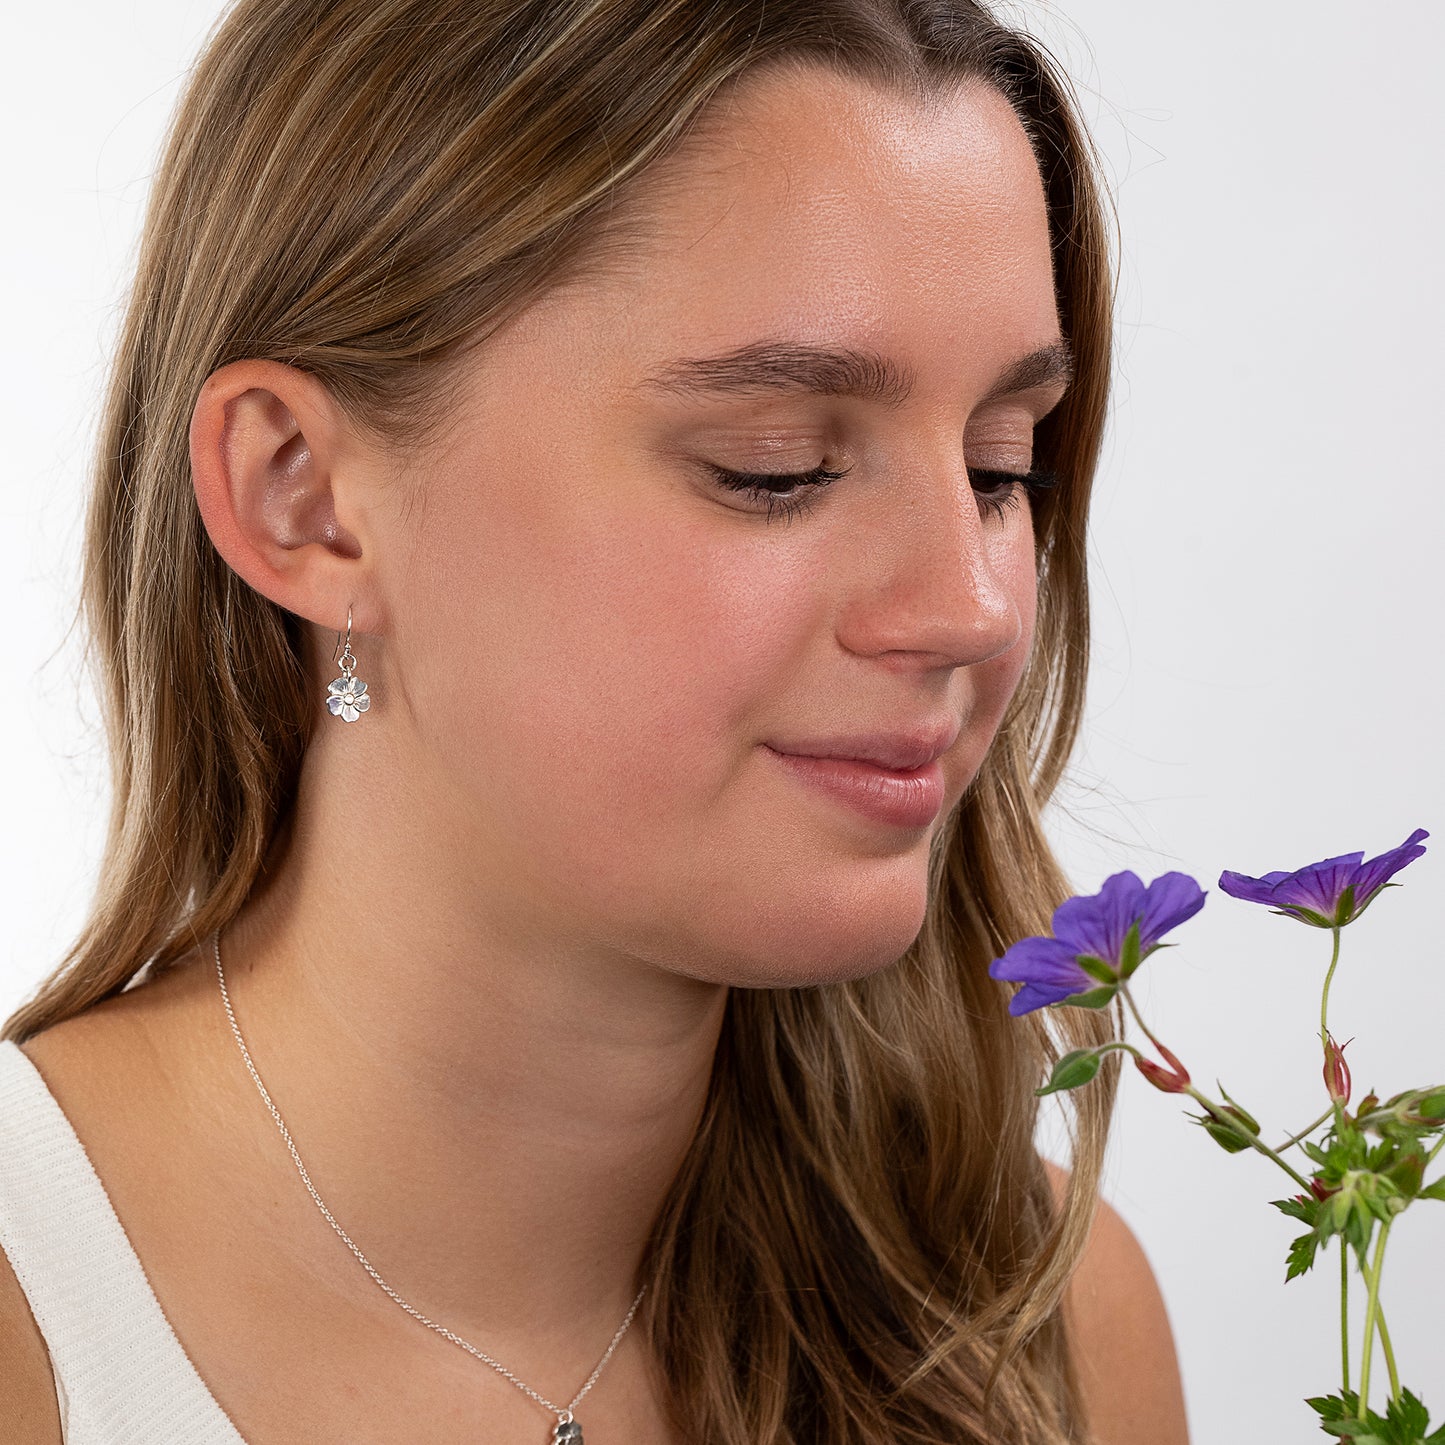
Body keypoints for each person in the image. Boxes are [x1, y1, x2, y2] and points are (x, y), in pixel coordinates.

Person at [0, 0, 1190, 1440]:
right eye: (777, 467)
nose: (972, 608)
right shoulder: (36, 1312)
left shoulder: (1034, 1326)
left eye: (1000, 468)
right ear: (301, 494)